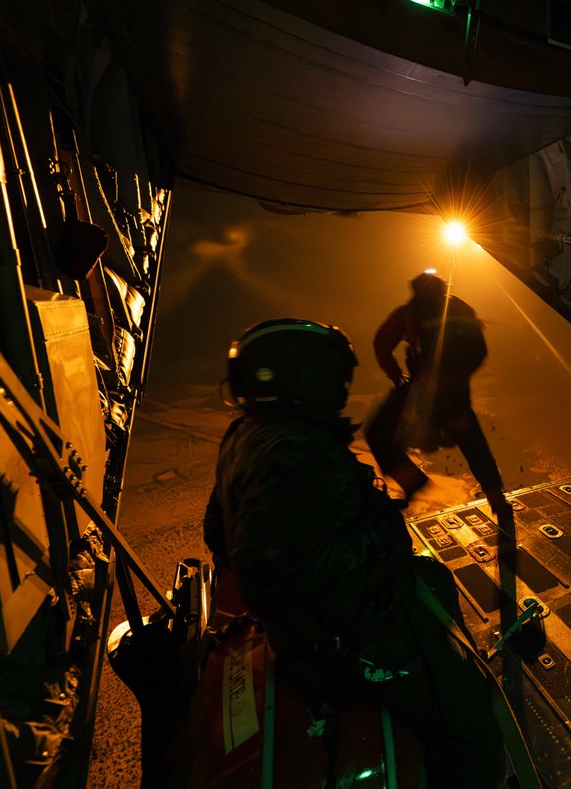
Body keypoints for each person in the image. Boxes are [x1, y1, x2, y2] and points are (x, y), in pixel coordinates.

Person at [202, 318, 506, 788]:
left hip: (325, 629)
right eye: (337, 378)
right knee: (470, 716)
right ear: (312, 381)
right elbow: (272, 575)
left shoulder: (249, 435)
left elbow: (218, 533)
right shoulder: (299, 456)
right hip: (347, 643)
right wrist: (374, 535)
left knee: (435, 576)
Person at [367, 271, 510, 513]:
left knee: (379, 433)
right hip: (456, 393)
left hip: (423, 392)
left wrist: (396, 375)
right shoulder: (460, 309)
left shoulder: (410, 312)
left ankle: (412, 482)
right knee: (472, 442)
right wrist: (458, 376)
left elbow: (381, 343)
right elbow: (480, 350)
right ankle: (496, 497)